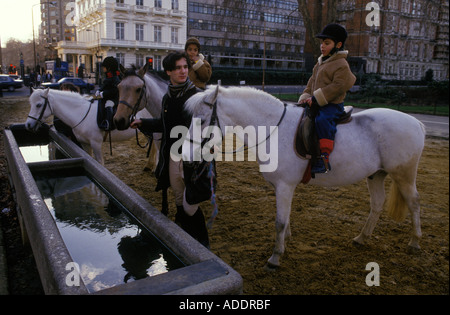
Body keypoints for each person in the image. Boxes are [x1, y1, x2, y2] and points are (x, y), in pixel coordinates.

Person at [130, 51, 210, 248]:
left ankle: (202, 242)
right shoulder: (167, 98)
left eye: (185, 67)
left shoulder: (198, 97)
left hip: (193, 157)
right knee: (178, 198)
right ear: (168, 72)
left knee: (190, 202)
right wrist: (143, 123)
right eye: (178, 68)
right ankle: (185, 238)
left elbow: (208, 129)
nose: (183, 71)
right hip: (173, 155)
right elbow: (165, 124)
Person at [298, 23, 356, 174]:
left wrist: (316, 98)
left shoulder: (341, 64)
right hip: (317, 102)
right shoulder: (320, 63)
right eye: (322, 43)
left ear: (338, 44)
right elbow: (311, 82)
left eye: (327, 43)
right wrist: (305, 96)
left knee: (322, 120)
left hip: (332, 105)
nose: (322, 46)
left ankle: (324, 158)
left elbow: (338, 86)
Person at [96, 56, 121, 130]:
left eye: (104, 67)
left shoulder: (116, 78)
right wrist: (99, 90)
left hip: (114, 98)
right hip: (108, 96)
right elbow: (105, 84)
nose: (103, 68)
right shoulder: (109, 76)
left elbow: (114, 90)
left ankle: (108, 123)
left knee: (108, 105)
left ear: (109, 68)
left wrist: (104, 93)